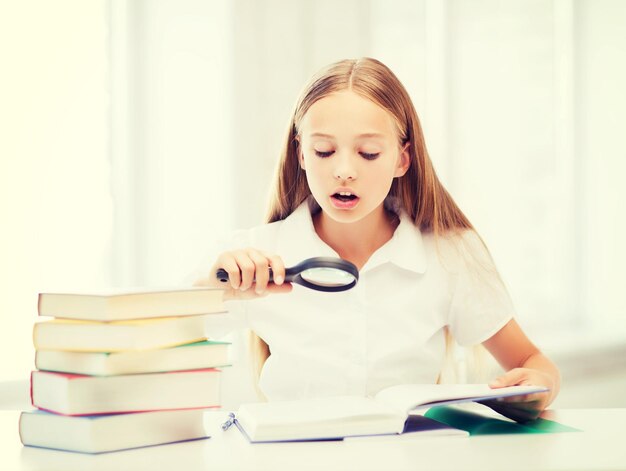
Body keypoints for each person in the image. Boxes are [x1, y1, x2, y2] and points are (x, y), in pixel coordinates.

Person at [195, 57, 560, 423]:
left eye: (368, 153)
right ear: (301, 153)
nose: (344, 171)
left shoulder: (450, 255)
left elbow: (534, 363)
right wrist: (213, 286)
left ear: (402, 160)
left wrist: (537, 386)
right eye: (323, 151)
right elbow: (151, 344)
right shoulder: (255, 255)